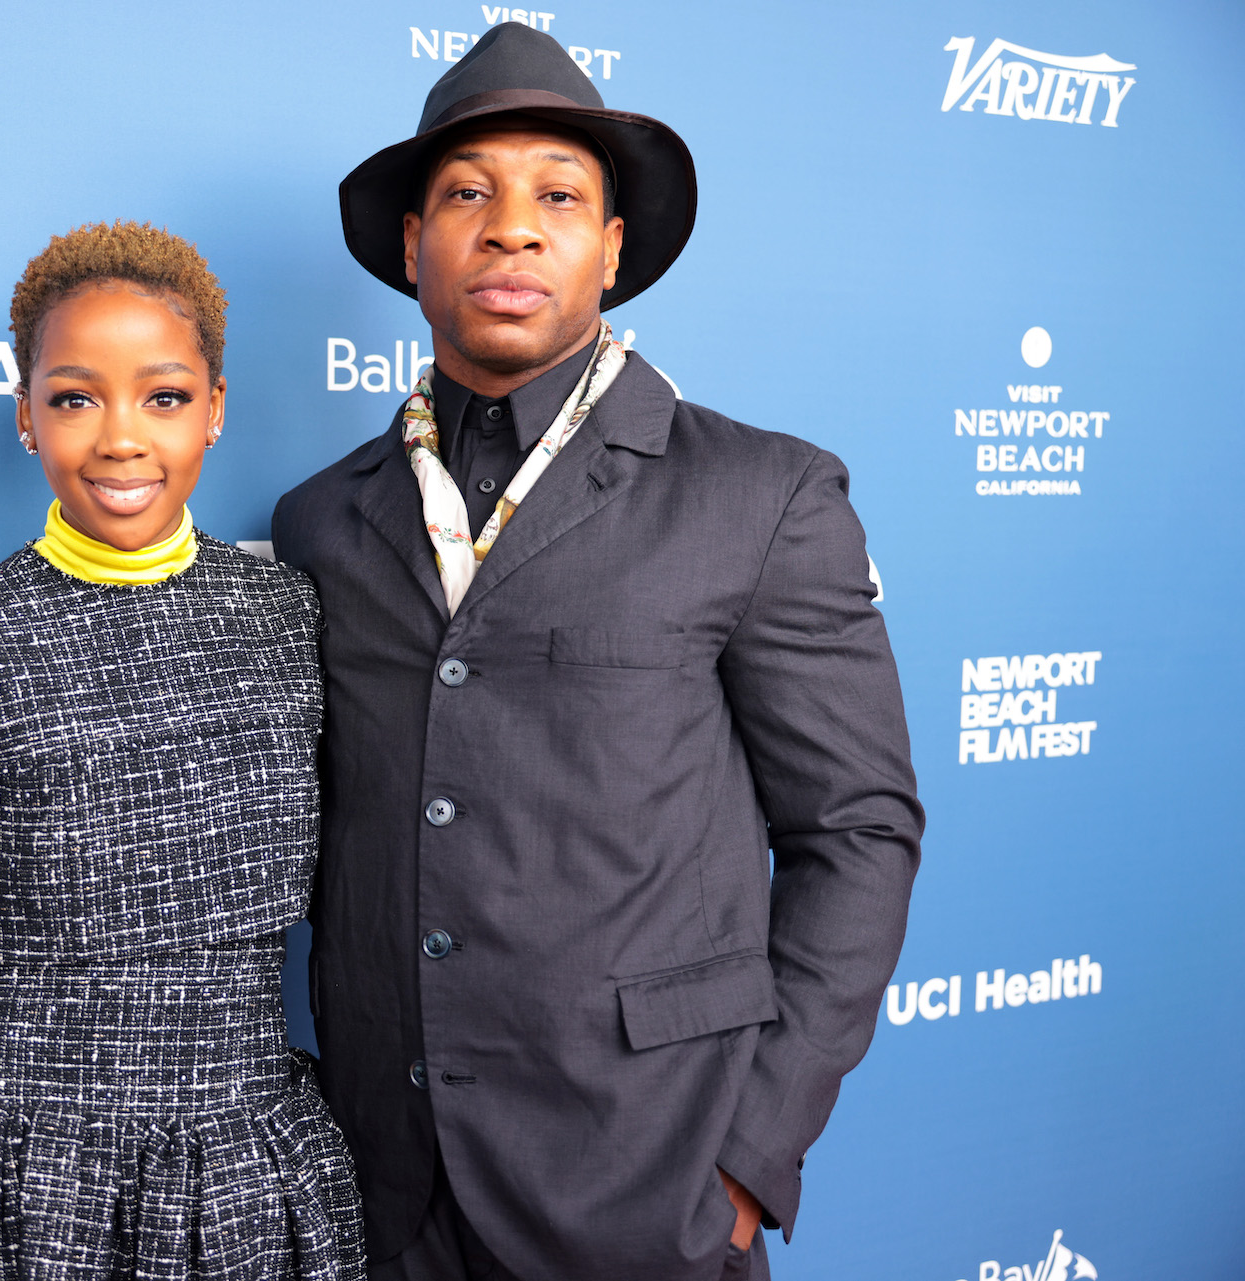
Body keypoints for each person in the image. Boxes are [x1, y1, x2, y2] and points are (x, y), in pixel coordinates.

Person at [268, 23, 925, 1281]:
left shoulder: (763, 494)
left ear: (611, 251)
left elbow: (859, 832)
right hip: (384, 1184)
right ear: (413, 247)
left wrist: (748, 1153)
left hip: (650, 1178)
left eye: (558, 196)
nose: (512, 227)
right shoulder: (323, 519)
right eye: (468, 194)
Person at [0, 221, 365, 1281]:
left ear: (215, 411)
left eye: (162, 396)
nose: (119, 438)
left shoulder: (294, 620)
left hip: (251, 1175)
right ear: (25, 417)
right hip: (14, 1184)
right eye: (74, 397)